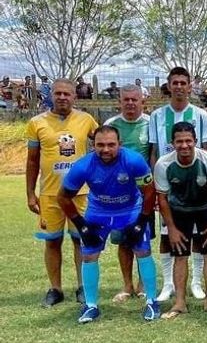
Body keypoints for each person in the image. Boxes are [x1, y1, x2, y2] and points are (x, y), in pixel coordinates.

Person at [57, 125, 159, 323]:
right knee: (89, 255)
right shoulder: (83, 166)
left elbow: (149, 191)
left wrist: (142, 220)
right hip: (99, 212)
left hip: (130, 210)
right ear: (92, 145)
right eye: (100, 145)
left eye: (111, 145)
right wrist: (81, 225)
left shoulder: (134, 160)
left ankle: (152, 301)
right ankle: (91, 305)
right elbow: (62, 197)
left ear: (120, 144)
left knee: (143, 251)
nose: (105, 149)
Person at [25, 78, 99, 307]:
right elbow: (32, 161)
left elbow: (105, 144)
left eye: (67, 94)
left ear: (74, 96)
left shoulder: (86, 120)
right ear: (51, 95)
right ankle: (55, 289)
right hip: (49, 194)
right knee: (52, 242)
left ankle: (82, 287)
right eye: (58, 93)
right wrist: (30, 194)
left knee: (81, 241)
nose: (62, 97)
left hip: (80, 194)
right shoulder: (37, 123)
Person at [149, 67, 207, 302]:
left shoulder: (201, 115)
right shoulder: (157, 116)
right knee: (167, 234)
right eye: (175, 83)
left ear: (189, 85)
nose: (179, 87)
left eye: (183, 83)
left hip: (195, 184)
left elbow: (205, 150)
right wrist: (156, 186)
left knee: (196, 234)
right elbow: (154, 152)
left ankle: (195, 282)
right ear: (169, 85)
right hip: (168, 184)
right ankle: (168, 284)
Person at [154, 122, 207, 318]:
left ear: (195, 141)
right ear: (172, 143)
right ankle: (179, 303)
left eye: (188, 141)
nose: (184, 146)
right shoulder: (163, 164)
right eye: (179, 142)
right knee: (180, 256)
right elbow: (161, 197)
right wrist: (171, 228)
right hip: (179, 209)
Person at [104, 84, 152, 302]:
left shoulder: (151, 124)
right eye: (126, 100)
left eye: (135, 99)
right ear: (119, 102)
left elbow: (155, 155)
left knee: (143, 239)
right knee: (123, 241)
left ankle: (143, 284)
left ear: (143, 101)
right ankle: (127, 285)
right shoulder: (110, 125)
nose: (131, 103)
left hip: (143, 193)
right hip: (117, 195)